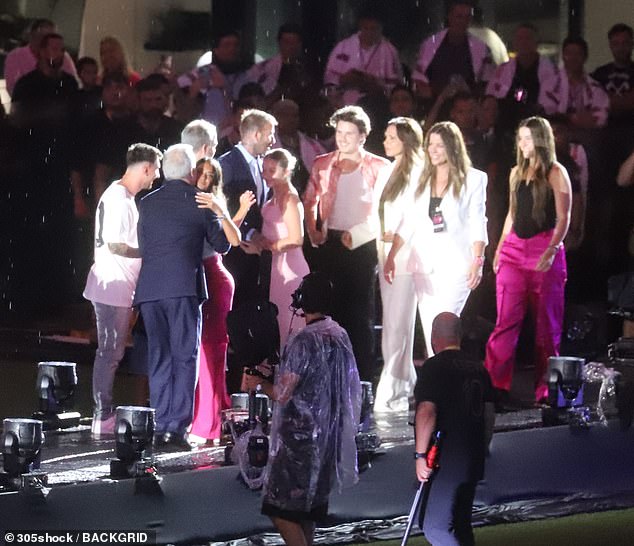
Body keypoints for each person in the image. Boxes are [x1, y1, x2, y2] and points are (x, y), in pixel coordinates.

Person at [242, 272, 361, 546]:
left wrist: (259, 383)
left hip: (298, 443)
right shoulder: (339, 334)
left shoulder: (304, 340)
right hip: (328, 439)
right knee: (306, 513)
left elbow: (283, 394)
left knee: (280, 511)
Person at [133, 144, 240, 449]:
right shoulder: (199, 202)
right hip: (182, 290)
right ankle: (175, 429)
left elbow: (144, 244)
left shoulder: (148, 203)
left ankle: (162, 423)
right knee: (184, 357)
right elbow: (223, 246)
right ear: (192, 173)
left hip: (151, 291)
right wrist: (219, 211)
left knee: (160, 357)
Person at [485, 116, 572, 405]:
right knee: (505, 321)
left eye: (527, 138)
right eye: (519, 138)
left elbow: (564, 216)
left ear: (540, 140)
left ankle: (547, 390)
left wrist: (551, 249)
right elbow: (511, 214)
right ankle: (495, 385)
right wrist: (499, 249)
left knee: (547, 327)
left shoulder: (555, 172)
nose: (522, 144)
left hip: (543, 248)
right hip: (514, 250)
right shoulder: (515, 173)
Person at [384, 121, 488, 358]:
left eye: (439, 145)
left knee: (446, 325)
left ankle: (445, 380)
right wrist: (392, 255)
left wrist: (478, 260)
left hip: (456, 266)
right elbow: (408, 220)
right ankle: (438, 383)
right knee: (432, 328)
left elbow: (477, 221)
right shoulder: (420, 179)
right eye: (430, 144)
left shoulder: (474, 179)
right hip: (424, 265)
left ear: (453, 148)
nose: (433, 150)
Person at [303, 105, 390, 381]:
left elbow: (385, 209)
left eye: (349, 133)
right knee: (331, 310)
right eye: (339, 132)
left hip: (362, 245)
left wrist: (362, 234)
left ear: (362, 136)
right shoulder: (323, 162)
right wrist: (313, 229)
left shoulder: (378, 166)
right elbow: (310, 199)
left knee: (360, 312)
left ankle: (362, 377)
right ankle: (332, 374)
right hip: (331, 243)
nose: (342, 138)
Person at [83, 143, 162, 436]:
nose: (155, 177)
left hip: (117, 287)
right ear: (145, 168)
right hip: (111, 286)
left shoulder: (124, 197)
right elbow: (115, 245)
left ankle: (103, 414)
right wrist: (148, 251)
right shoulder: (118, 198)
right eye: (155, 170)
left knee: (112, 352)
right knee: (109, 352)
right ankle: (102, 416)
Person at [189, 157, 255, 444]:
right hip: (193, 277)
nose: (204, 178)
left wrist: (229, 210)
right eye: (200, 173)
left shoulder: (214, 202)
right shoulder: (185, 200)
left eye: (209, 175)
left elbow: (233, 240)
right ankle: (208, 416)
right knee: (198, 352)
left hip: (214, 279)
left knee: (211, 351)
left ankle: (209, 423)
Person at [414, 312, 495, 546]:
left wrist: (420, 456)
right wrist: (482, 447)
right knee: (460, 524)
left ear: (433, 337)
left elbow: (426, 412)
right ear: (459, 336)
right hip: (473, 458)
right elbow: (489, 415)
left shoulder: (433, 367)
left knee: (434, 527)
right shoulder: (479, 368)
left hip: (447, 461)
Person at [373, 118, 425, 412]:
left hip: (405, 255)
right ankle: (403, 383)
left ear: (406, 140)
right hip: (385, 252)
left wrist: (395, 246)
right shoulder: (388, 169)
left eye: (391, 138)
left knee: (397, 323)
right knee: (394, 324)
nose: (386, 142)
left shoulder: (418, 172)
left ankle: (391, 389)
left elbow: (414, 216)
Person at [241, 149, 310, 347]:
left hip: (290, 270)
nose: (266, 175)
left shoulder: (290, 199)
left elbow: (296, 238)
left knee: (289, 327)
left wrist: (267, 247)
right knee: (276, 327)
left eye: (272, 171)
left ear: (287, 171)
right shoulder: (274, 197)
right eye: (264, 170)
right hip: (274, 268)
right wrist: (259, 243)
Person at [219, 109, 277, 307]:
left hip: (257, 254)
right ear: (257, 134)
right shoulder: (226, 164)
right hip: (236, 252)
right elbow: (222, 210)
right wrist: (249, 233)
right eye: (270, 134)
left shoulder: (265, 163)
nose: (273, 140)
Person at [412, 1, 495, 100]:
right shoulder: (430, 45)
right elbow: (418, 77)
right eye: (459, 16)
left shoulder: (481, 48)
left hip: (468, 107)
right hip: (435, 104)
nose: (463, 21)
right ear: (449, 17)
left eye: (467, 17)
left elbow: (487, 81)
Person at [485, 23, 556, 133]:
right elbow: (491, 97)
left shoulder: (551, 71)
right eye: (519, 38)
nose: (523, 42)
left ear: (536, 43)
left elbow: (551, 105)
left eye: (528, 38)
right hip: (507, 124)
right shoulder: (502, 70)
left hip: (537, 124)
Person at [324, 10, 402, 106]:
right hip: (344, 104)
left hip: (377, 106)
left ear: (381, 28)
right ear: (360, 26)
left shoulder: (390, 51)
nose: (369, 32)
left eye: (374, 29)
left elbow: (397, 87)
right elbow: (329, 77)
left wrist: (376, 85)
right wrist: (343, 79)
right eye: (366, 28)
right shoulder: (343, 47)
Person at [539, 36, 609, 130]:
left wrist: (569, 118)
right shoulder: (550, 85)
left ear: (585, 57)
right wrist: (572, 118)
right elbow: (547, 113)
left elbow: (601, 118)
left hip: (587, 137)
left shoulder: (595, 88)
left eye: (578, 54)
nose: (573, 58)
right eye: (569, 53)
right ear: (563, 56)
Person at [4, 18, 77, 96]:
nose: (46, 40)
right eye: (42, 36)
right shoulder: (15, 56)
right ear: (31, 36)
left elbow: (74, 88)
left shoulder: (63, 58)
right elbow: (12, 89)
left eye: (52, 37)